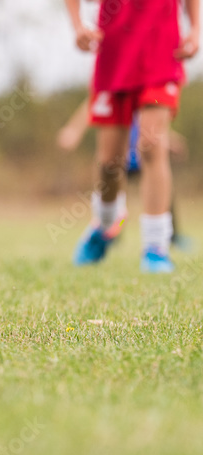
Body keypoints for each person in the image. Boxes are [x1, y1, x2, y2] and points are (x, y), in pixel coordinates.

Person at [66, 0, 199, 273]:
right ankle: (105, 226)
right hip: (114, 55)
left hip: (162, 52)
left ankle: (155, 247)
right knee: (109, 164)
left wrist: (196, 29)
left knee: (151, 145)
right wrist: (78, 25)